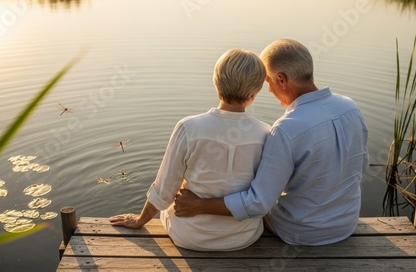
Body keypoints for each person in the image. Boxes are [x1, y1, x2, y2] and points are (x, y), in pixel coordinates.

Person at [174, 38, 369, 246]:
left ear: (282, 79)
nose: (268, 90)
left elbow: (258, 203)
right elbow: (361, 166)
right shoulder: (350, 108)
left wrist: (199, 205)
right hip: (346, 224)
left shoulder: (287, 128)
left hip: (299, 231)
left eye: (268, 82)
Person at [109, 48, 271, 251]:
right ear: (256, 91)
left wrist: (140, 220)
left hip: (190, 237)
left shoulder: (189, 127)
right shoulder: (266, 133)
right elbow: (265, 195)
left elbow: (165, 189)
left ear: (216, 81)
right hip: (243, 238)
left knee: (179, 189)